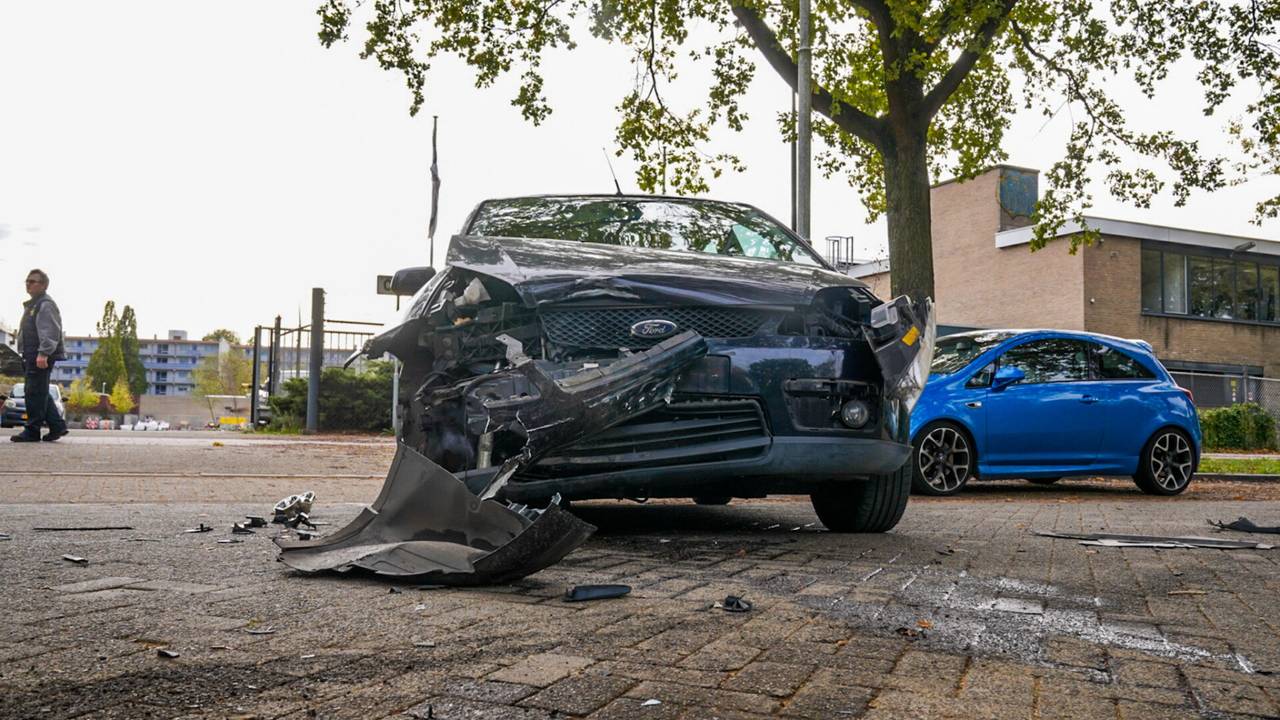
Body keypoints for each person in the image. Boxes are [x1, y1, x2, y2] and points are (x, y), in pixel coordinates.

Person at [12, 269, 68, 442]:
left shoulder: (45, 304)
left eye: (33, 281)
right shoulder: (34, 305)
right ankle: (57, 426)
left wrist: (43, 353)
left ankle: (32, 430)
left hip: (40, 355)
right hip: (32, 354)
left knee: (33, 392)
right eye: (27, 281)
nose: (28, 284)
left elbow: (50, 331)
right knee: (40, 391)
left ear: (43, 285)